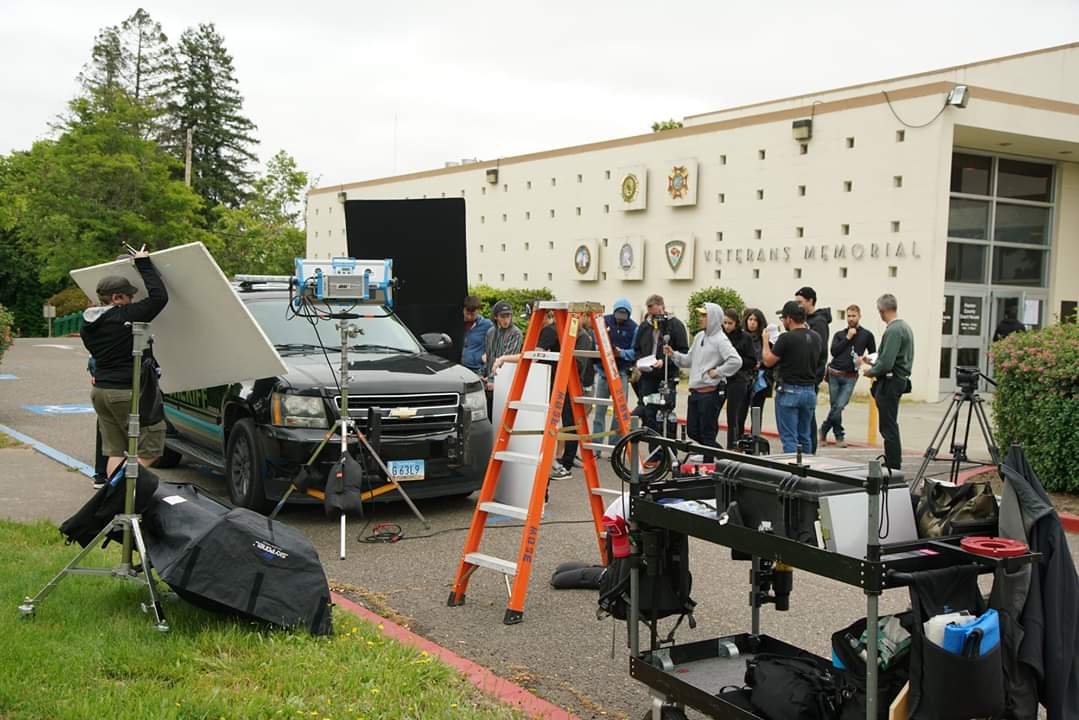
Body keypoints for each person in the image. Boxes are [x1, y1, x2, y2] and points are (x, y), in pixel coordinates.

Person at [80, 250, 169, 477]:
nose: (132, 300)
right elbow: (159, 297)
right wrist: (143, 263)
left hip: (101, 391)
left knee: (116, 452)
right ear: (117, 298)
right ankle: (122, 493)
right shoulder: (123, 317)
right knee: (149, 449)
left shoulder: (87, 321)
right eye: (128, 296)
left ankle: (113, 500)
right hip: (125, 392)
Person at [664, 303, 741, 462]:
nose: (701, 318)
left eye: (704, 315)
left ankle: (711, 463)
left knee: (707, 434)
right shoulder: (700, 336)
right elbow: (688, 360)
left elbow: (736, 361)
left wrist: (718, 372)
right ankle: (722, 457)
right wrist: (674, 355)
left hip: (710, 393)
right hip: (695, 392)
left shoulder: (721, 339)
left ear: (713, 318)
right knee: (693, 431)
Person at [860, 294, 914, 471]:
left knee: (888, 425)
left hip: (890, 381)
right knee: (890, 423)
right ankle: (893, 461)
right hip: (899, 379)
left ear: (883, 311)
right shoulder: (905, 327)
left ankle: (893, 463)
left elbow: (888, 362)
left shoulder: (893, 330)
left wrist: (871, 371)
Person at [762, 300, 825, 454]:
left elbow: (768, 361)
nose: (783, 322)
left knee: (790, 438)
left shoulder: (786, 338)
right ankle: (807, 470)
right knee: (805, 437)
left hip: (789, 390)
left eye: (783, 318)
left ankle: (792, 470)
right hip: (809, 390)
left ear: (789, 319)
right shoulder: (816, 337)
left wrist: (765, 341)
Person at [629, 294, 689, 438]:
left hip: (667, 376)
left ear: (663, 307)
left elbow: (683, 352)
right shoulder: (644, 327)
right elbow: (636, 349)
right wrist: (639, 363)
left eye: (657, 314)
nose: (654, 318)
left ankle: (667, 452)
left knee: (665, 414)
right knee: (648, 413)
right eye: (651, 315)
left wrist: (664, 361)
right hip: (648, 377)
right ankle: (654, 453)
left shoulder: (675, 326)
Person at [820, 304, 876, 448]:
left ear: (859, 316)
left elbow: (873, 355)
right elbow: (834, 351)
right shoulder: (839, 334)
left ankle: (824, 429)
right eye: (849, 316)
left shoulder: (867, 335)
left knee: (839, 406)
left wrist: (864, 360)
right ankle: (839, 436)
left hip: (850, 376)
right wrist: (847, 337)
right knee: (835, 407)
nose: (851, 319)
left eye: (853, 316)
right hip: (834, 373)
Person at [592, 298, 637, 454]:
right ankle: (596, 446)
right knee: (599, 411)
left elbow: (635, 351)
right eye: (619, 313)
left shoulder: (633, 328)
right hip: (604, 372)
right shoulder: (604, 321)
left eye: (624, 314)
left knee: (619, 413)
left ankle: (614, 447)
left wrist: (621, 353)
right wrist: (606, 350)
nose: (621, 316)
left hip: (621, 373)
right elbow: (595, 343)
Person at [795, 287, 830, 453]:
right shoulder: (807, 321)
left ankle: (811, 451)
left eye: (800, 302)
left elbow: (818, 350)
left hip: (811, 375)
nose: (798, 306)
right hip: (803, 374)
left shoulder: (819, 323)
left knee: (808, 416)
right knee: (804, 416)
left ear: (810, 301)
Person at [716, 308, 757, 449]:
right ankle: (710, 446)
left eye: (730, 323)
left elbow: (752, 361)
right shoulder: (719, 336)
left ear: (736, 323)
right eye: (725, 323)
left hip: (738, 379)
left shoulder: (745, 338)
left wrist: (735, 362)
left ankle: (732, 447)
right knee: (713, 413)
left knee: (733, 417)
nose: (727, 326)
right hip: (720, 378)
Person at [482, 300, 523, 419]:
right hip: (490, 383)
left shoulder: (516, 333)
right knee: (489, 417)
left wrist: (491, 378)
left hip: (505, 382)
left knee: (501, 418)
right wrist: (484, 374)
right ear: (496, 317)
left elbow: (507, 360)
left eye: (508, 316)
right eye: (502, 316)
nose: (506, 320)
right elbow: (489, 358)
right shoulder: (490, 332)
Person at [741, 308, 773, 434]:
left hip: (760, 381)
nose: (752, 323)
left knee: (756, 412)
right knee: (740, 412)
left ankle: (755, 439)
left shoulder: (765, 339)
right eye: (750, 319)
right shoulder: (741, 337)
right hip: (743, 379)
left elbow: (770, 359)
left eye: (755, 320)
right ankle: (738, 439)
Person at [461, 295, 492, 378]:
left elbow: (496, 342)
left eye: (473, 314)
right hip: (459, 367)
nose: (469, 317)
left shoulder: (487, 325)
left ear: (478, 311)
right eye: (467, 313)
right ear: (463, 309)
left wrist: (486, 355)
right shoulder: (458, 323)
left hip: (477, 369)